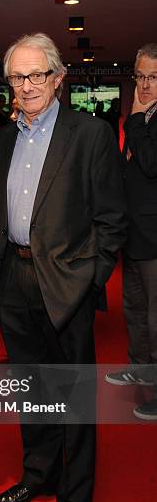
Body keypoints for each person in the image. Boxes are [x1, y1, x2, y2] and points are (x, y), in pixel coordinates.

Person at [0, 33, 127, 502]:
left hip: (66, 283)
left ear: (56, 77)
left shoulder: (89, 133)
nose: (26, 86)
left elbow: (113, 218)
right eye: (17, 77)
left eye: (35, 75)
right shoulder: (3, 137)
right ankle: (39, 473)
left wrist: (90, 279)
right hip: (14, 280)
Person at [105, 44, 157, 420]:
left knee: (156, 319)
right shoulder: (145, 118)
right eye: (140, 76)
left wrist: (135, 119)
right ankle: (140, 369)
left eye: (154, 77)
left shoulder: (143, 118)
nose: (145, 85)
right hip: (136, 236)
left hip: (156, 240)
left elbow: (151, 164)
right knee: (135, 311)